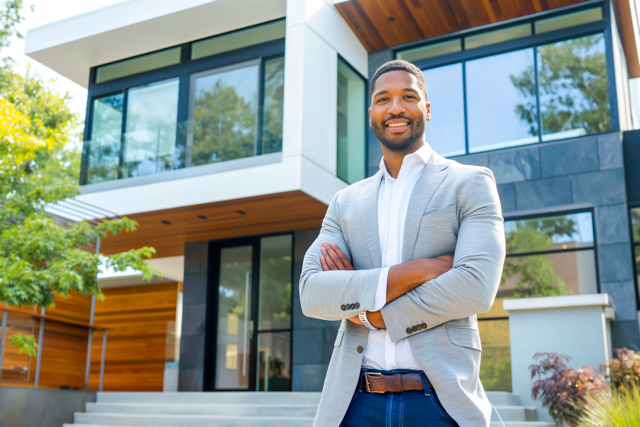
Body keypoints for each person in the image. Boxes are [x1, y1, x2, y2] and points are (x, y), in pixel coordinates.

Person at [299, 60, 506, 427]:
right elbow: (313, 292)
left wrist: (369, 312)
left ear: (426, 108)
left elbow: (476, 286)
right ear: (371, 114)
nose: (395, 107)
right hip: (355, 404)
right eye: (384, 99)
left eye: (408, 97)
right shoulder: (346, 202)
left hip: (439, 403)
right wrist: (419, 270)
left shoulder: (470, 183)